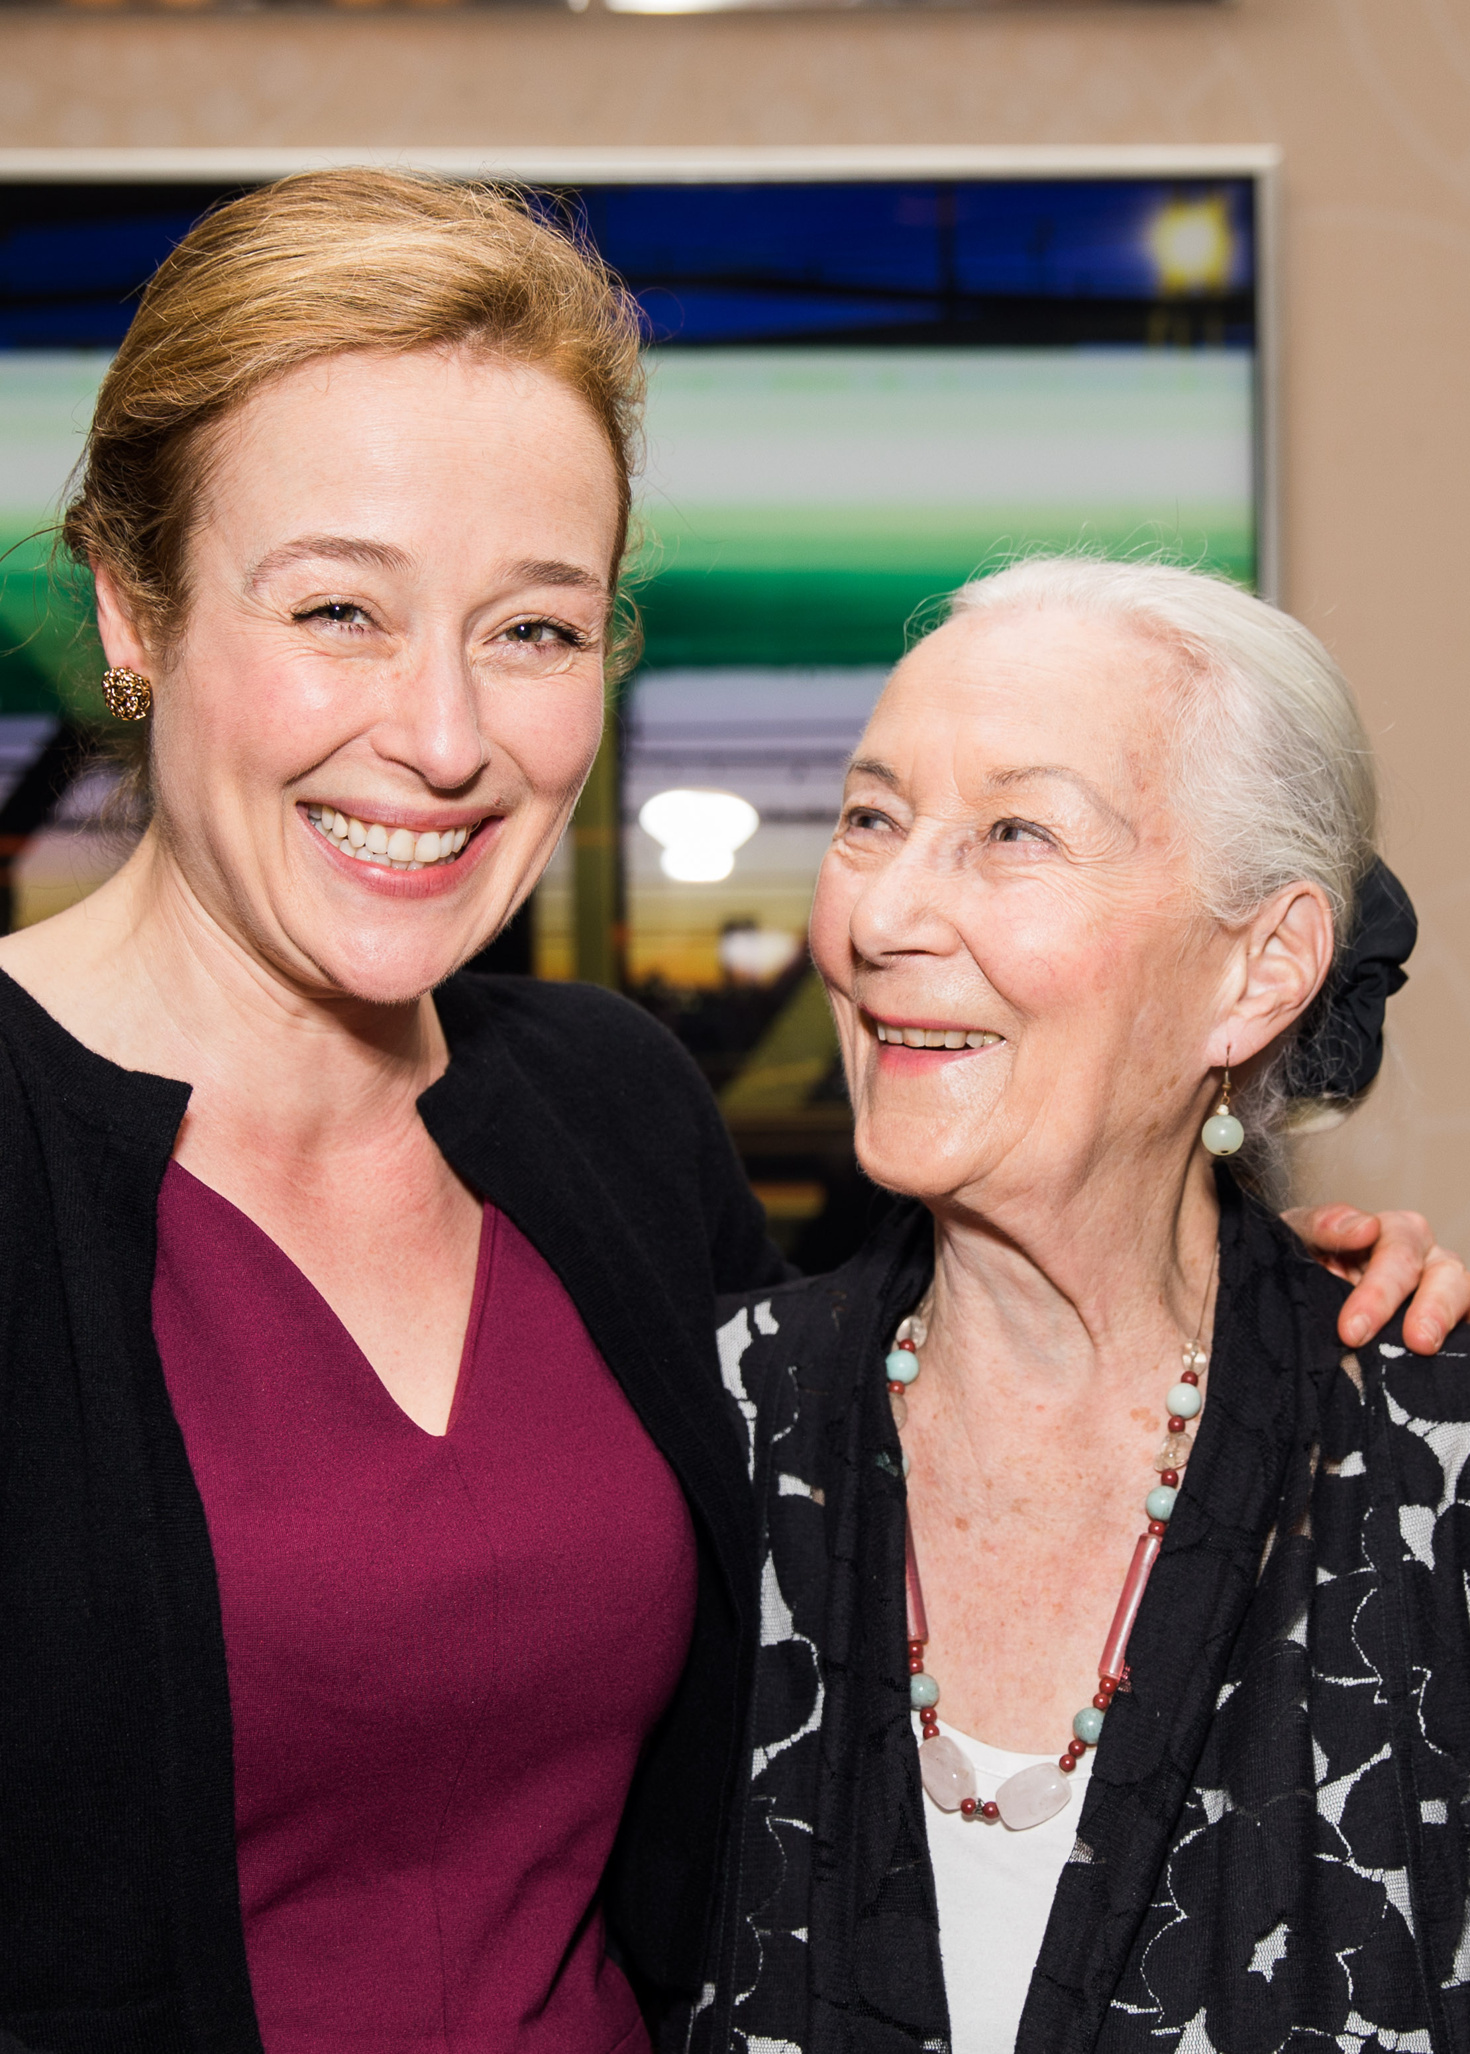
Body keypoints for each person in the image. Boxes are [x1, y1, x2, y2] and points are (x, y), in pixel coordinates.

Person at [0, 176, 1454, 2054]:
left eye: (531, 629)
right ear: (135, 609)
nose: (444, 735)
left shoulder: (606, 1116)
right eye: (342, 608)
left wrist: (1285, 1270)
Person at [698, 558, 1470, 2054]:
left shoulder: (1430, 1473)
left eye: (1013, 831)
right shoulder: (694, 1437)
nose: (884, 914)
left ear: (1256, 971)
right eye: (870, 817)